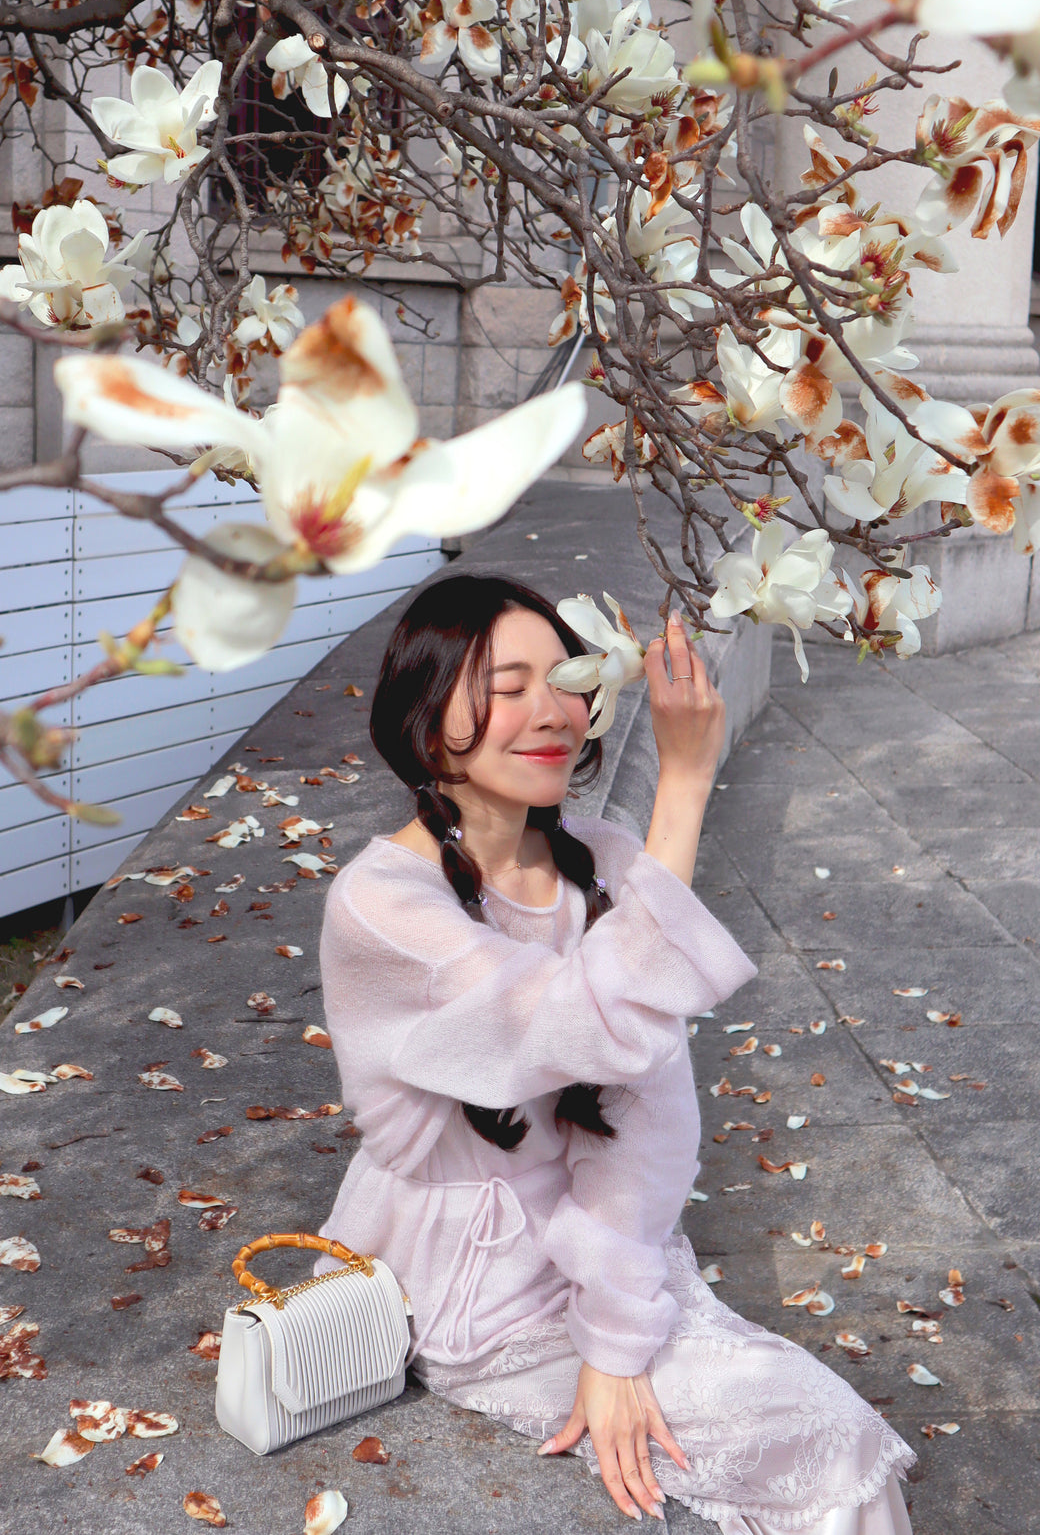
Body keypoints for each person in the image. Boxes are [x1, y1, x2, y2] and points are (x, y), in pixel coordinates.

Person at [314, 572, 915, 1533]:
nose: (553, 710)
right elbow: (580, 1019)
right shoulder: (383, 907)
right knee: (821, 1438)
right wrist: (685, 778)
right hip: (475, 1289)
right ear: (427, 723)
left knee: (826, 1439)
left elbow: (650, 1114)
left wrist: (617, 1334)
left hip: (607, 1246)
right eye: (507, 687)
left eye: (567, 678)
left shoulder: (601, 858)